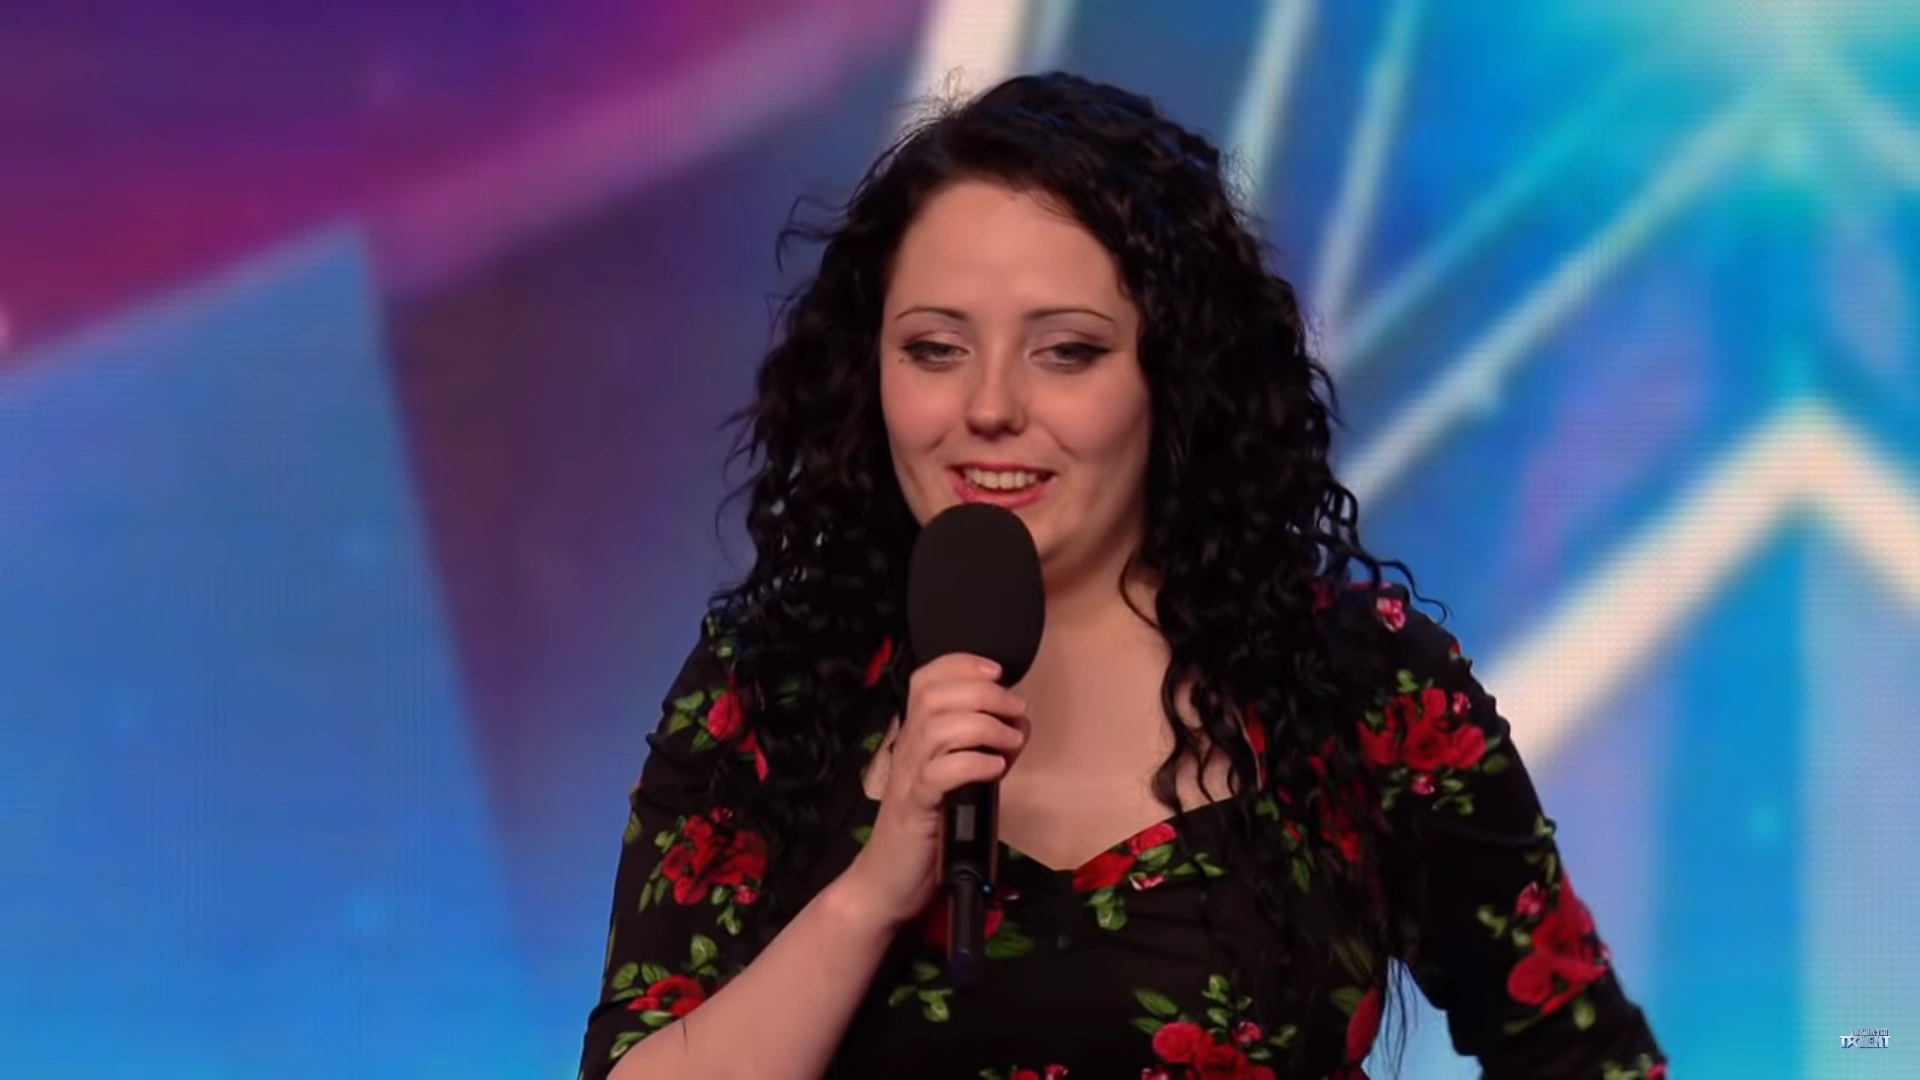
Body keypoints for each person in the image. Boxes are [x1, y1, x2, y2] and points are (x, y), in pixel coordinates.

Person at [576, 72, 1665, 1080]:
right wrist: (869, 895)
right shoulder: (771, 687)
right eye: (935, 349)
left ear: (1175, 375)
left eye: (1067, 351)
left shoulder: (1361, 688)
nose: (990, 408)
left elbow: (1587, 1060)